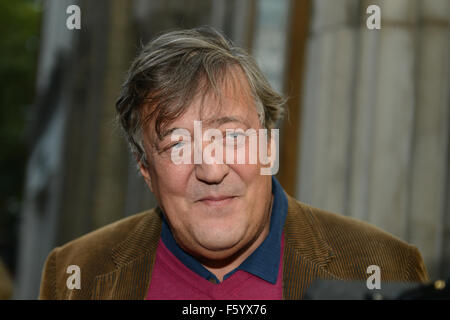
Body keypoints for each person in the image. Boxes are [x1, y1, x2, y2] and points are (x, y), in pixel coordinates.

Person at [39, 26, 428, 300]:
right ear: (146, 170)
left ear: (269, 148)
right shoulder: (77, 275)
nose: (211, 170)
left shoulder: (382, 265)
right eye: (178, 144)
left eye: (232, 137)